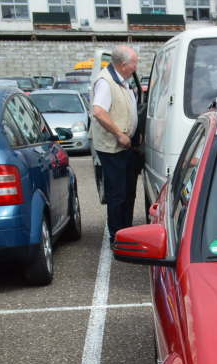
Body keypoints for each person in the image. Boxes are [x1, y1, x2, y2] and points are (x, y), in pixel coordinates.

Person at [90, 45, 139, 244]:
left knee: (128, 191)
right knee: (117, 193)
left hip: (125, 146)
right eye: (134, 63)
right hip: (112, 148)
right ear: (123, 64)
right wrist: (119, 133)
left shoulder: (122, 81)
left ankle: (125, 231)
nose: (136, 67)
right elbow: (99, 111)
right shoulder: (105, 82)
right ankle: (117, 237)